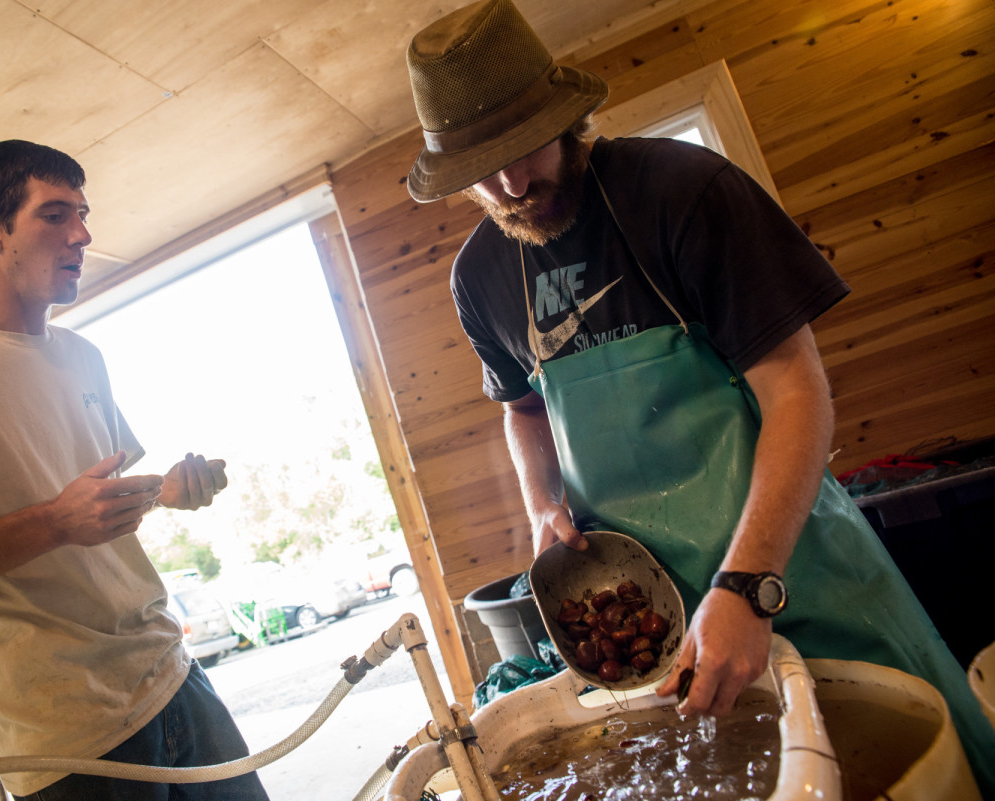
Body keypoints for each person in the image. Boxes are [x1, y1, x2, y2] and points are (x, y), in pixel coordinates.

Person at [404, 0, 995, 791]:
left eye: (524, 147)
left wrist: (749, 585)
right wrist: (544, 503)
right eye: (484, 168)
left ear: (566, 114)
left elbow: (797, 390)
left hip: (797, 574)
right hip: (662, 624)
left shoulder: (685, 191)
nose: (512, 182)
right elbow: (523, 406)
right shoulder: (478, 276)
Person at [0, 140, 270, 801]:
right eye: (55, 214)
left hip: (173, 678)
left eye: (83, 213)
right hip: (69, 741)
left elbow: (92, 505)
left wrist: (166, 491)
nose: (83, 234)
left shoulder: (85, 357)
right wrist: (54, 523)